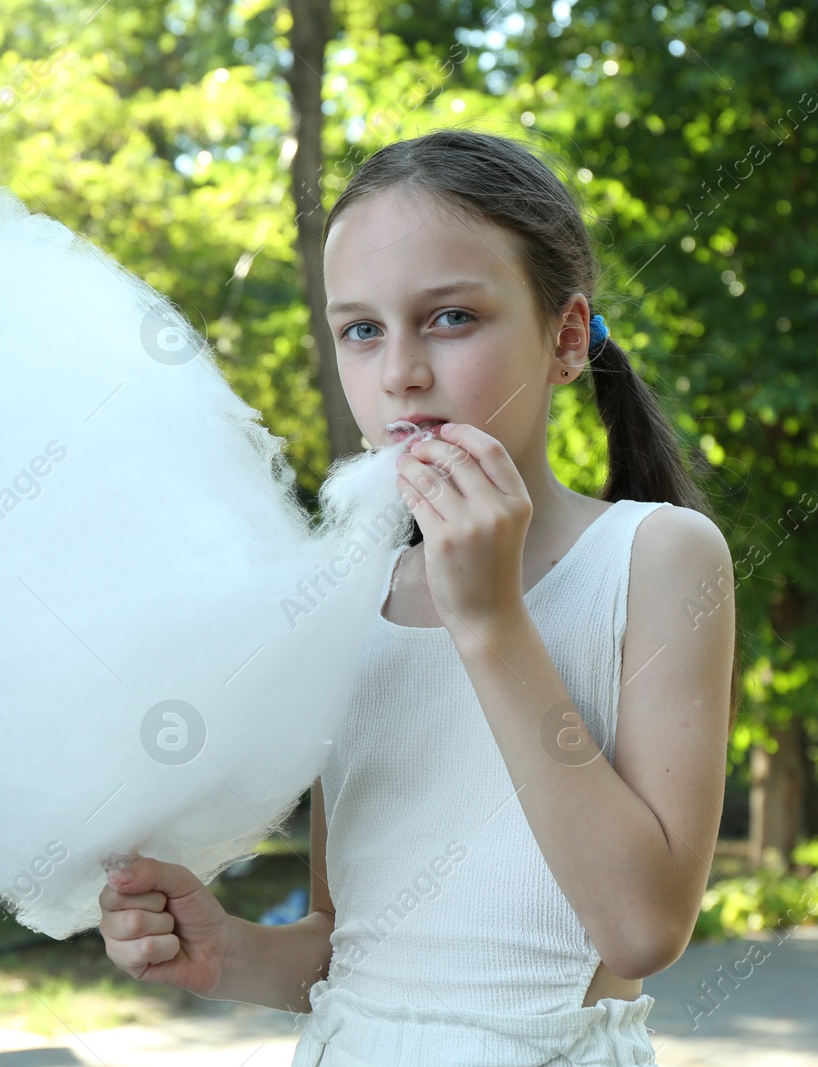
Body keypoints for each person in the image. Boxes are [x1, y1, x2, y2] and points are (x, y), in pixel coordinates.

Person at [98, 127, 741, 1067]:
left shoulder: (658, 557)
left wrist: (489, 622)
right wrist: (226, 951)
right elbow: (347, 940)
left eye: (449, 318)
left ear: (565, 338)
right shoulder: (349, 599)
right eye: (361, 328)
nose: (399, 369)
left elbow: (641, 929)